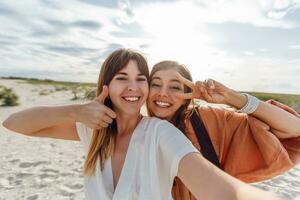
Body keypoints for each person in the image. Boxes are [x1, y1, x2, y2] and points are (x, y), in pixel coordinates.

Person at [3, 49, 280, 200]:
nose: (133, 87)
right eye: (123, 77)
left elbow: (224, 190)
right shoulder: (93, 128)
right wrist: (77, 110)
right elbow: (14, 122)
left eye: (141, 79)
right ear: (106, 86)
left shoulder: (160, 133)